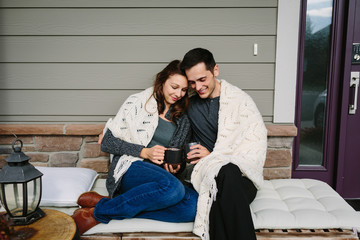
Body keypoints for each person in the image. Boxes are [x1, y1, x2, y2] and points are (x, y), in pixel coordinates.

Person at [72, 60, 198, 235]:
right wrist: (144, 152)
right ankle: (98, 213)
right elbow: (108, 142)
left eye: (184, 90)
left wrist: (177, 166)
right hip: (132, 167)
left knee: (193, 207)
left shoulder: (183, 118)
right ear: (162, 81)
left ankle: (111, 204)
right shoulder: (138, 103)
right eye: (174, 87)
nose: (178, 94)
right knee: (173, 189)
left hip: (161, 177)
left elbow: (179, 156)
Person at [180, 48, 267, 240]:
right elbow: (159, 96)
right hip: (208, 174)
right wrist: (116, 128)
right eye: (192, 82)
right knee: (222, 182)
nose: (198, 86)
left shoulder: (241, 101)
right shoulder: (191, 106)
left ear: (215, 70)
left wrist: (211, 155)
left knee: (226, 177)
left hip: (242, 178)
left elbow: (254, 146)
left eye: (202, 79)